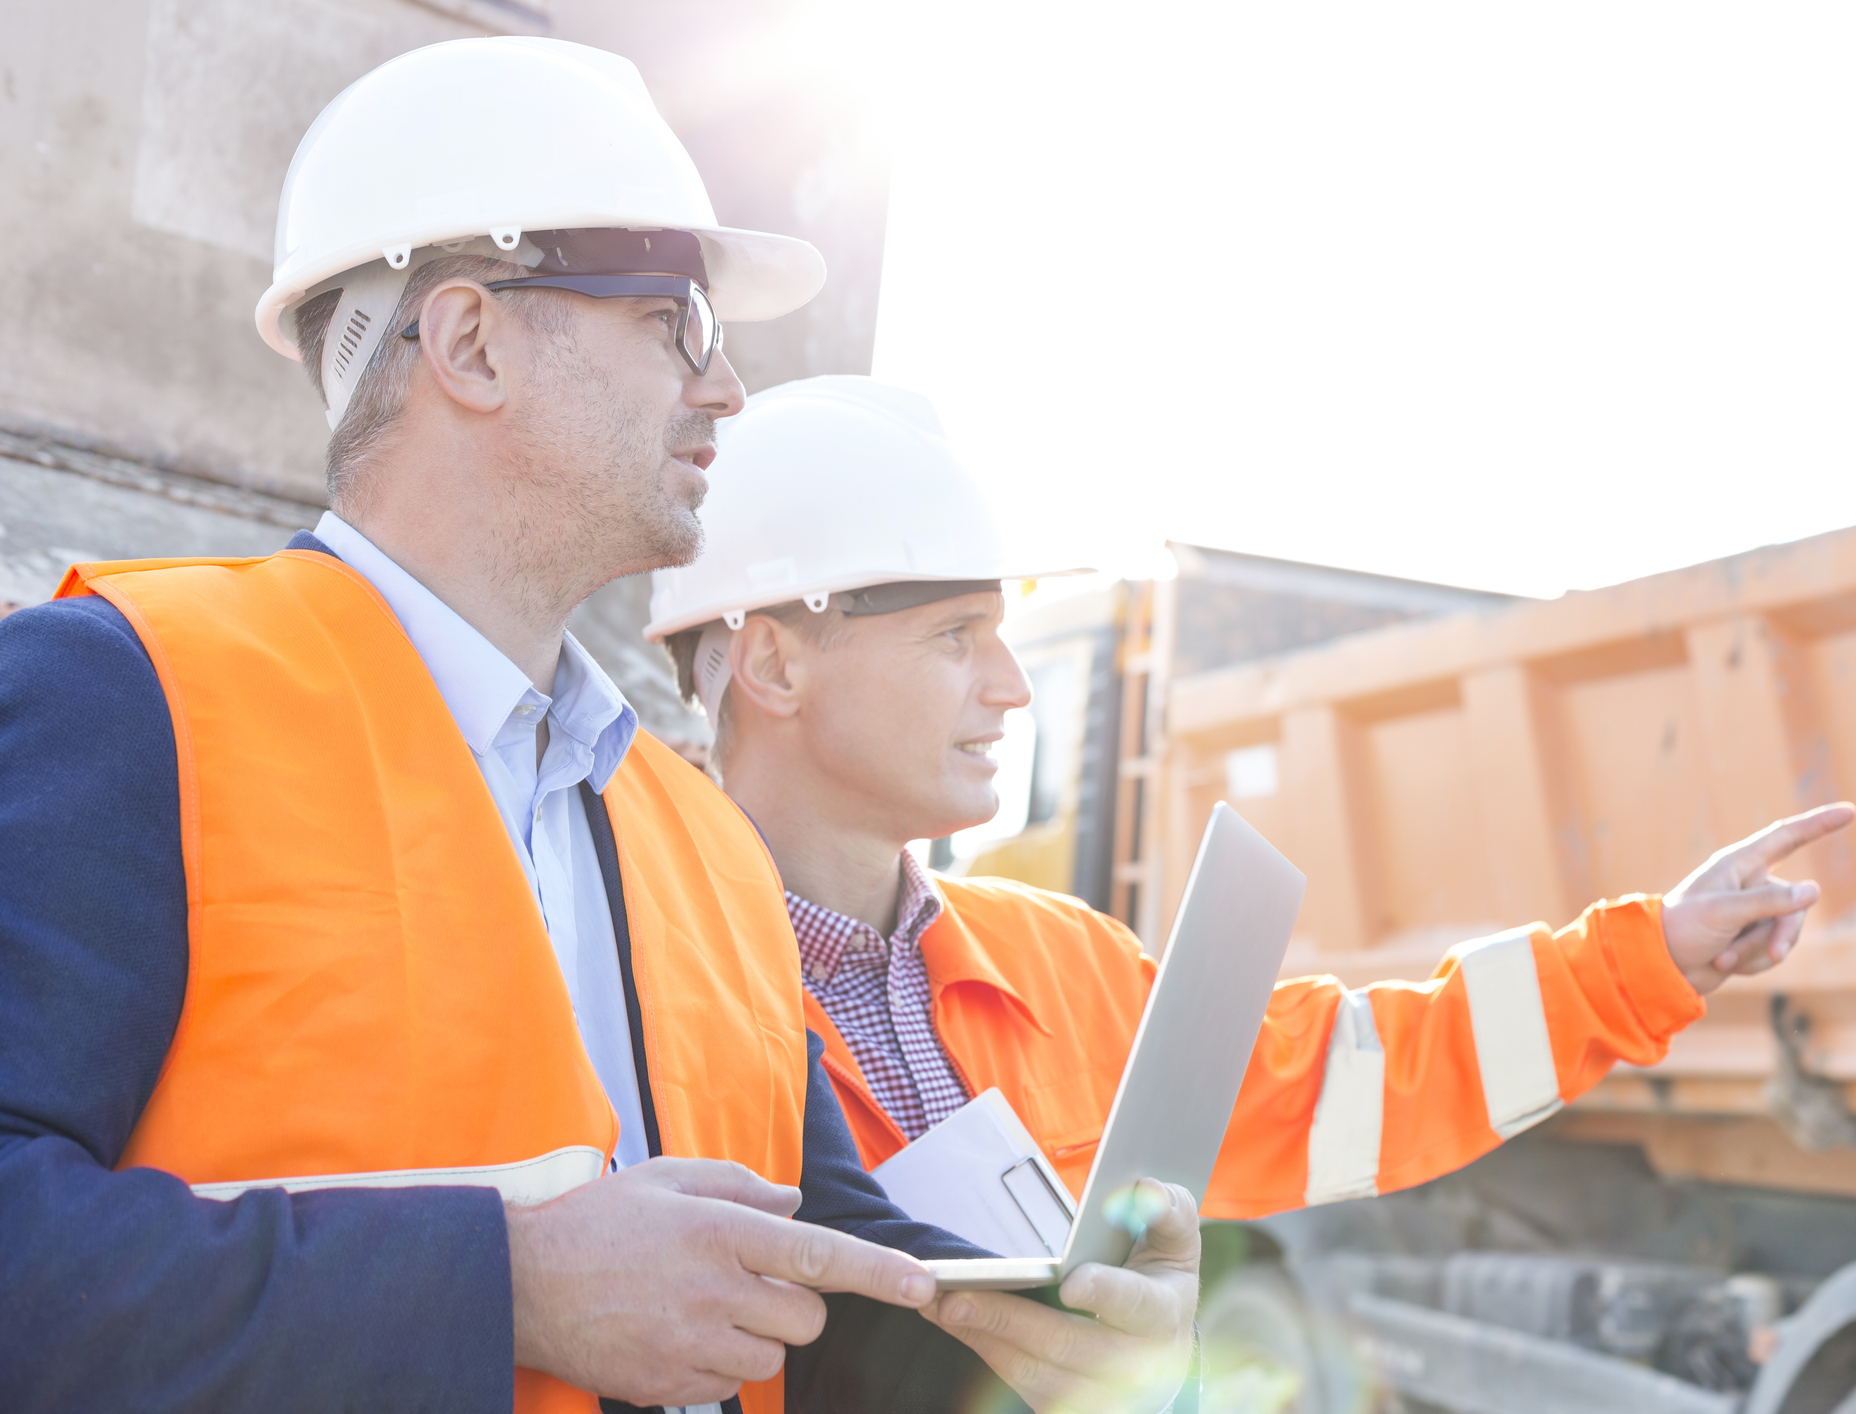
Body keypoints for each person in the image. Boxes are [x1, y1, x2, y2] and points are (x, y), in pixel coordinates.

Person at [0, 40, 1196, 1414]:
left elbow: (815, 1278)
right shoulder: (126, 695)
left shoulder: (699, 843)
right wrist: (512, 1289)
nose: (726, 389)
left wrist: (1040, 1322)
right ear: (470, 342)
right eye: (672, 319)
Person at [644, 374, 1856, 1227]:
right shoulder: (623, 972)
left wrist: (1654, 959)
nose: (1012, 686)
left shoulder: (1064, 963)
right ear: (775, 664)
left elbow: (1354, 1076)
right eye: (957, 636)